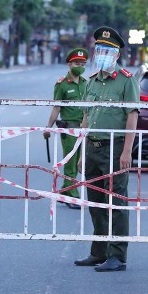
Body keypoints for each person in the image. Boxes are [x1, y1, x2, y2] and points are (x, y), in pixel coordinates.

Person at [73, 26, 140, 272]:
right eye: (98, 49)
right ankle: (98, 251)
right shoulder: (91, 81)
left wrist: (127, 152)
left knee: (116, 202)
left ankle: (117, 256)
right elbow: (85, 119)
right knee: (96, 201)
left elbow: (132, 116)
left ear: (116, 55)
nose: (101, 54)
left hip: (116, 147)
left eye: (107, 50)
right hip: (93, 147)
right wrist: (81, 152)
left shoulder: (126, 81)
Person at [45, 48, 89, 208]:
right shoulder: (62, 85)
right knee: (70, 163)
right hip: (69, 129)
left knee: (80, 162)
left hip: (83, 128)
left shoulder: (86, 83)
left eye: (83, 64)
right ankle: (73, 196)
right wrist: (48, 128)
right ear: (69, 64)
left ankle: (65, 191)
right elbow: (56, 107)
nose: (80, 66)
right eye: (77, 63)